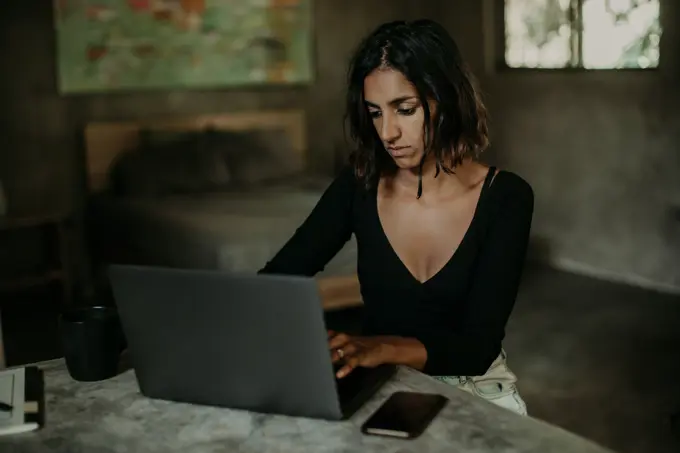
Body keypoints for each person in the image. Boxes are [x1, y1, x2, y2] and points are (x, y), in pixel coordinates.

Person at [258, 19, 534, 415]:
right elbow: (278, 279)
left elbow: (477, 347)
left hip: (476, 388)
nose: (387, 132)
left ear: (447, 99)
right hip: (380, 383)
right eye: (374, 113)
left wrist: (378, 347)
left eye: (405, 109)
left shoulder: (506, 197)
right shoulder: (360, 185)